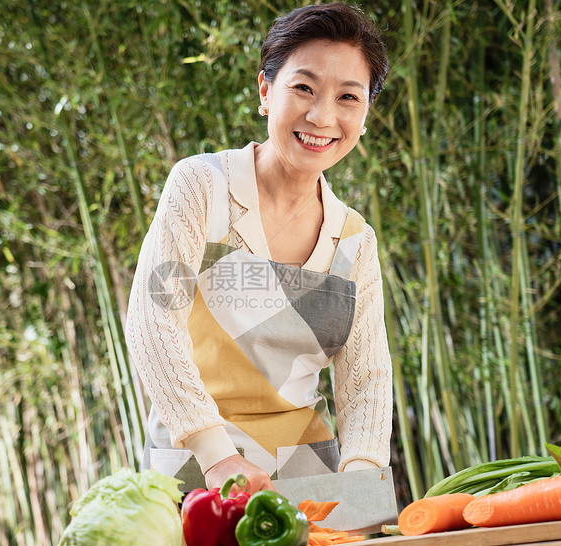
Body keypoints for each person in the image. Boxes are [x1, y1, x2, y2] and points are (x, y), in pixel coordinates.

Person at [126, 2, 392, 496]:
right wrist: (215, 455)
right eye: (304, 88)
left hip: (313, 477)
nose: (323, 115)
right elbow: (151, 322)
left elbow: (367, 377)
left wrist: (361, 478)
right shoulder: (201, 186)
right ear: (266, 91)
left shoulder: (356, 239)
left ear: (366, 113)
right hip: (199, 470)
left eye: (348, 97)